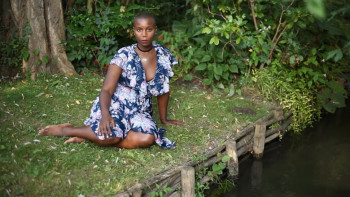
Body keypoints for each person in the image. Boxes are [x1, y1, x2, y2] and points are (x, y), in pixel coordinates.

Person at [39, 13, 185, 149]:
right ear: (133, 31)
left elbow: (163, 89)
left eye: (149, 29)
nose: (144, 34)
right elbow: (107, 89)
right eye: (139, 30)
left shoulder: (163, 55)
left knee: (148, 138)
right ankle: (67, 129)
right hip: (116, 103)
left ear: (155, 30)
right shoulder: (124, 55)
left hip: (140, 109)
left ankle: (93, 137)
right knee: (110, 134)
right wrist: (105, 115)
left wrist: (164, 118)